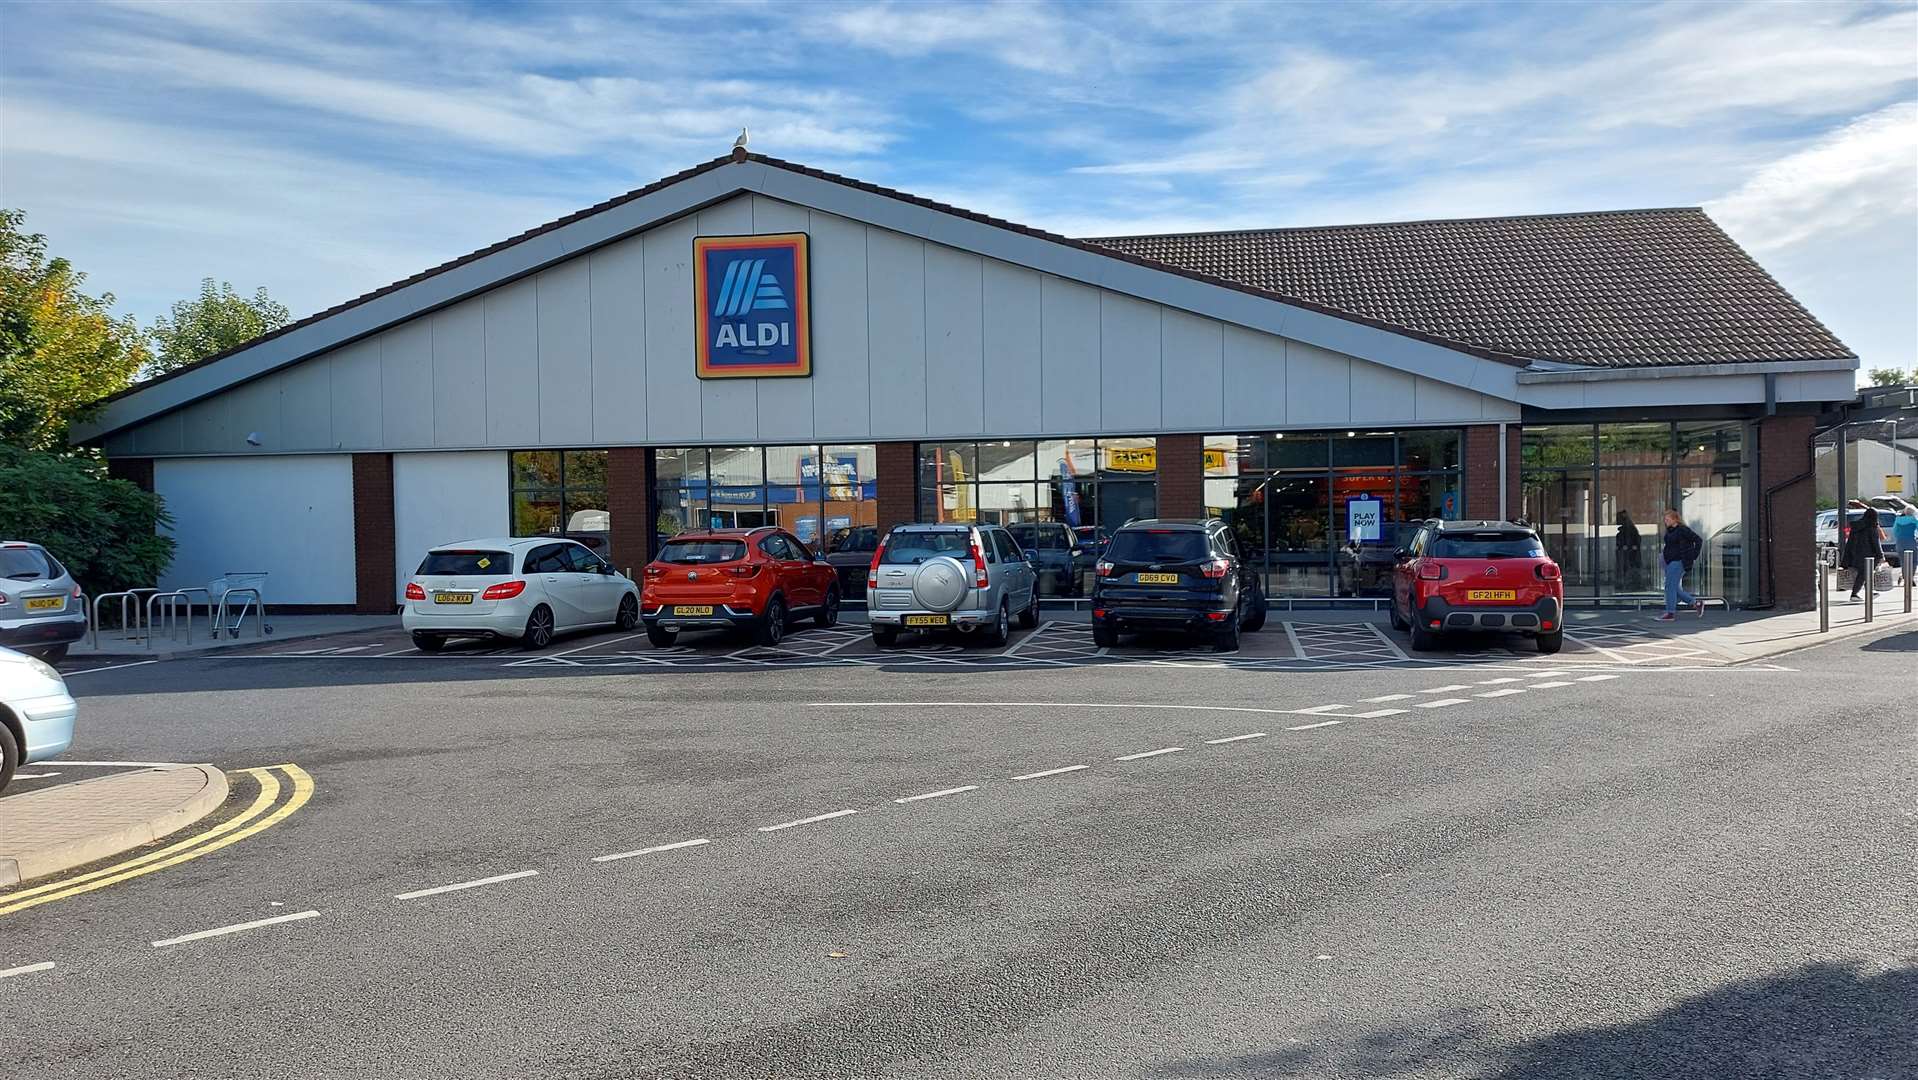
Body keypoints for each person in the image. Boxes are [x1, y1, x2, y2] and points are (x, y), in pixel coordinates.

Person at [1657, 509, 1703, 621]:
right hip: (1670, 562)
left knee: (1669, 587)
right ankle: (1695, 603)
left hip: (1678, 562)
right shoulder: (1670, 530)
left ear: (1675, 519)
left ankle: (1670, 613)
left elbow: (1698, 540)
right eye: (1665, 519)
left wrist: (1693, 555)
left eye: (1667, 519)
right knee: (1673, 587)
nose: (1665, 521)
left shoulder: (1683, 530)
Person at [1841, 499, 1884, 601]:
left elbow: (1850, 541)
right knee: (1864, 574)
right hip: (1868, 556)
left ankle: (1870, 591)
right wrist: (1881, 555)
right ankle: (1854, 594)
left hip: (1854, 555)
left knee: (1865, 574)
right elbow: (1876, 543)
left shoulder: (1856, 526)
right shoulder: (1872, 527)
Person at [1613, 510, 1642, 590]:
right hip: (1627, 554)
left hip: (1630, 554)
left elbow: (1636, 540)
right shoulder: (1626, 530)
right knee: (1626, 569)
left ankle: (1632, 584)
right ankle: (1627, 584)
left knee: (1630, 568)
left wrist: (1630, 547)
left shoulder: (1631, 530)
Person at [1892, 501, 1918, 586]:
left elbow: (1894, 532)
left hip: (1900, 542)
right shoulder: (1914, 520)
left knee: (1903, 561)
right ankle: (1910, 578)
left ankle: (1905, 577)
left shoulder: (1898, 520)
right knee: (1914, 561)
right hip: (1911, 542)